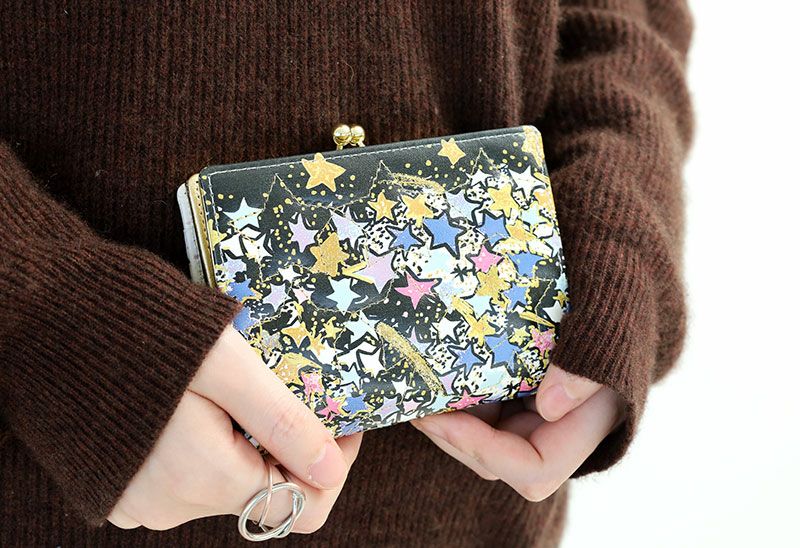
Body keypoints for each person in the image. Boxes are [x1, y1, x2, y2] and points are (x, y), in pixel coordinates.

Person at [0, 1, 692, 545]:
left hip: (481, 502)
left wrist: (619, 228)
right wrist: (46, 314)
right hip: (58, 477)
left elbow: (621, 23)